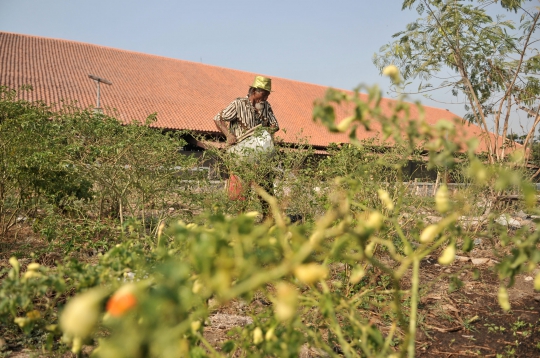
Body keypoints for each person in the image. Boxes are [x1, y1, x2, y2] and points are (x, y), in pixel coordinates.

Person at [213, 76, 279, 220]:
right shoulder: (238, 104)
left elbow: (275, 125)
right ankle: (239, 223)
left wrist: (267, 132)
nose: (266, 97)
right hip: (241, 154)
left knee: (265, 188)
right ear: (255, 91)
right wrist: (229, 134)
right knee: (240, 190)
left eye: (268, 94)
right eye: (264, 93)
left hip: (260, 154)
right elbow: (218, 118)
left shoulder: (266, 106)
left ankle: (268, 221)